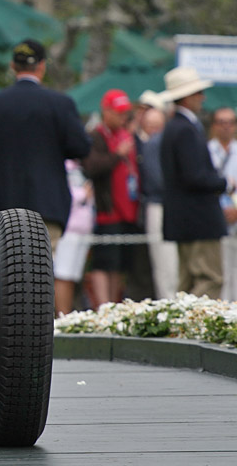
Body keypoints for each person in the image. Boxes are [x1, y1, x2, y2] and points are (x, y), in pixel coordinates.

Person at [0, 39, 91, 249]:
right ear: (42, 65)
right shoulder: (60, 104)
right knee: (39, 277)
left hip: (0, 209)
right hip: (46, 207)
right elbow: (81, 147)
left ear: (13, 66)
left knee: (0, 278)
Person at [159, 66, 232, 299]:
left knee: (187, 281)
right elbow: (194, 176)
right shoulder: (186, 129)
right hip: (199, 219)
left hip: (184, 219)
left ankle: (179, 329)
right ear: (188, 96)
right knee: (210, 278)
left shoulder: (174, 127)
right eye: (198, 92)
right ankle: (196, 330)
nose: (202, 97)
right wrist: (225, 183)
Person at [81, 89, 140, 309]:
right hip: (107, 210)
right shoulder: (95, 135)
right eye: (118, 113)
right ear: (106, 111)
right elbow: (92, 166)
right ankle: (103, 306)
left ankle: (114, 307)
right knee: (104, 262)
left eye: (125, 113)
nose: (123, 117)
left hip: (128, 211)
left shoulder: (125, 134)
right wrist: (118, 155)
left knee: (119, 265)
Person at [139, 106, 178, 299]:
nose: (153, 129)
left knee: (169, 265)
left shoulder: (156, 143)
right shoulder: (153, 144)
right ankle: (168, 303)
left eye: (157, 125)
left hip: (167, 206)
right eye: (149, 125)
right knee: (165, 265)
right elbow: (156, 179)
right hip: (159, 205)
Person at [54, 159, 94, 315]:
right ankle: (62, 317)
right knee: (63, 275)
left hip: (82, 229)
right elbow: (60, 193)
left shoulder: (79, 167)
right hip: (68, 229)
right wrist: (83, 193)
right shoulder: (61, 165)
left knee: (72, 276)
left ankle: (67, 315)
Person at [208, 107, 237, 301]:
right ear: (214, 126)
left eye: (230, 122)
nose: (226, 127)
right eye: (221, 122)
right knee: (218, 270)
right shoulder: (206, 151)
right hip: (213, 216)